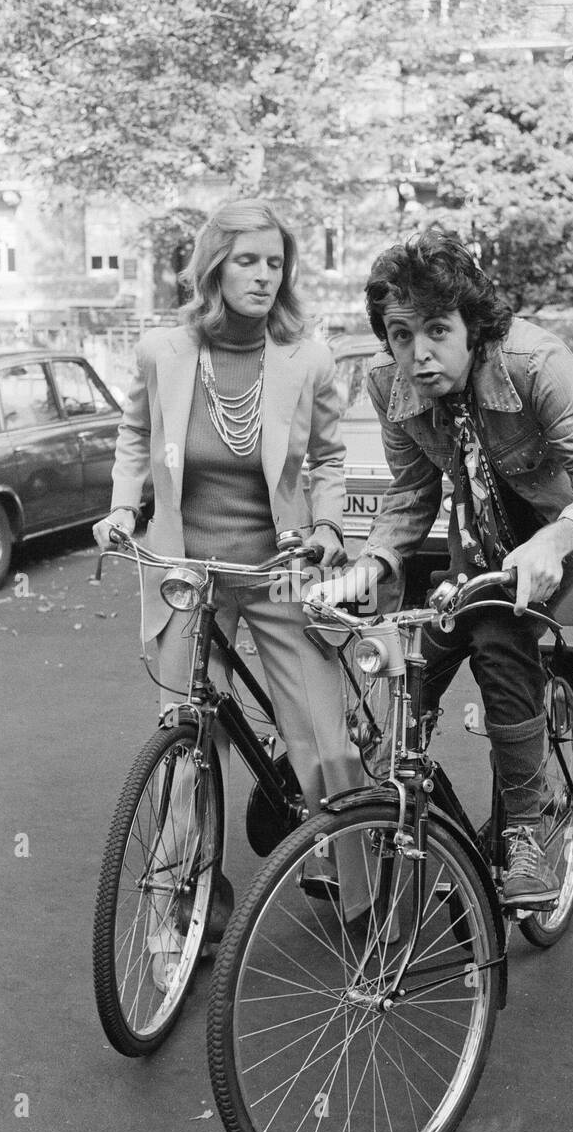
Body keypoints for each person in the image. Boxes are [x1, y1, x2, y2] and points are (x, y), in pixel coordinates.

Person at [309, 227, 573, 908]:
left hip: (563, 531)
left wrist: (552, 544)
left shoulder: (534, 361)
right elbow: (409, 494)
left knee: (494, 636)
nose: (417, 354)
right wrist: (371, 562)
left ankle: (526, 827)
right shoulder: (388, 383)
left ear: (471, 325)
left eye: (436, 330)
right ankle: (379, 793)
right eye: (401, 335)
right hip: (479, 536)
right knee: (419, 647)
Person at [93, 198, 368, 990]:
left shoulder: (304, 358)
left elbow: (325, 460)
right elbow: (136, 439)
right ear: (214, 266)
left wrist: (327, 529)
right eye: (247, 260)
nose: (262, 275)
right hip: (184, 575)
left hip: (276, 569)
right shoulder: (162, 351)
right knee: (185, 748)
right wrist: (122, 507)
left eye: (274, 263)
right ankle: (184, 912)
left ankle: (359, 904)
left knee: (325, 743)